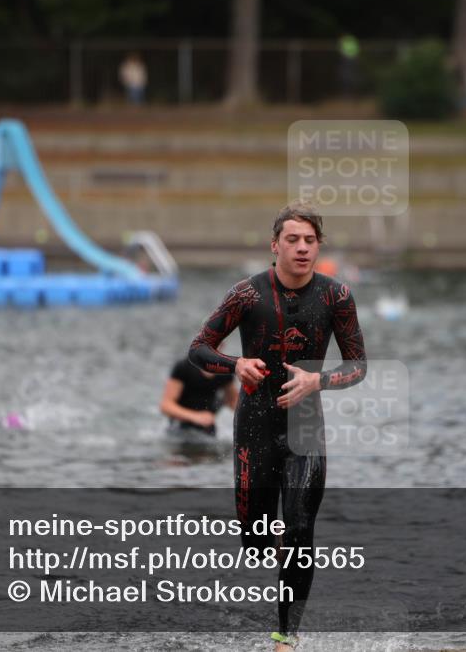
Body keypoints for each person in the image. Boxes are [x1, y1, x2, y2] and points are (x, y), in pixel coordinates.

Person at [188, 200, 367, 651]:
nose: (302, 248)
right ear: (275, 245)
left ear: (318, 246)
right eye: (293, 240)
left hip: (306, 427)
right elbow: (198, 349)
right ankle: (275, 564)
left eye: (310, 240)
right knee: (255, 538)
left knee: (300, 530)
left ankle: (285, 636)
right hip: (254, 429)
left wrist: (318, 380)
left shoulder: (336, 296)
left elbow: (358, 366)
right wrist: (235, 364)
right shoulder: (247, 294)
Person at [160, 356, 237, 435]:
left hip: (207, 430)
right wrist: (196, 417)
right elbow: (166, 406)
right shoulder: (183, 367)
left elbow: (233, 402)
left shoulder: (224, 371)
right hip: (179, 429)